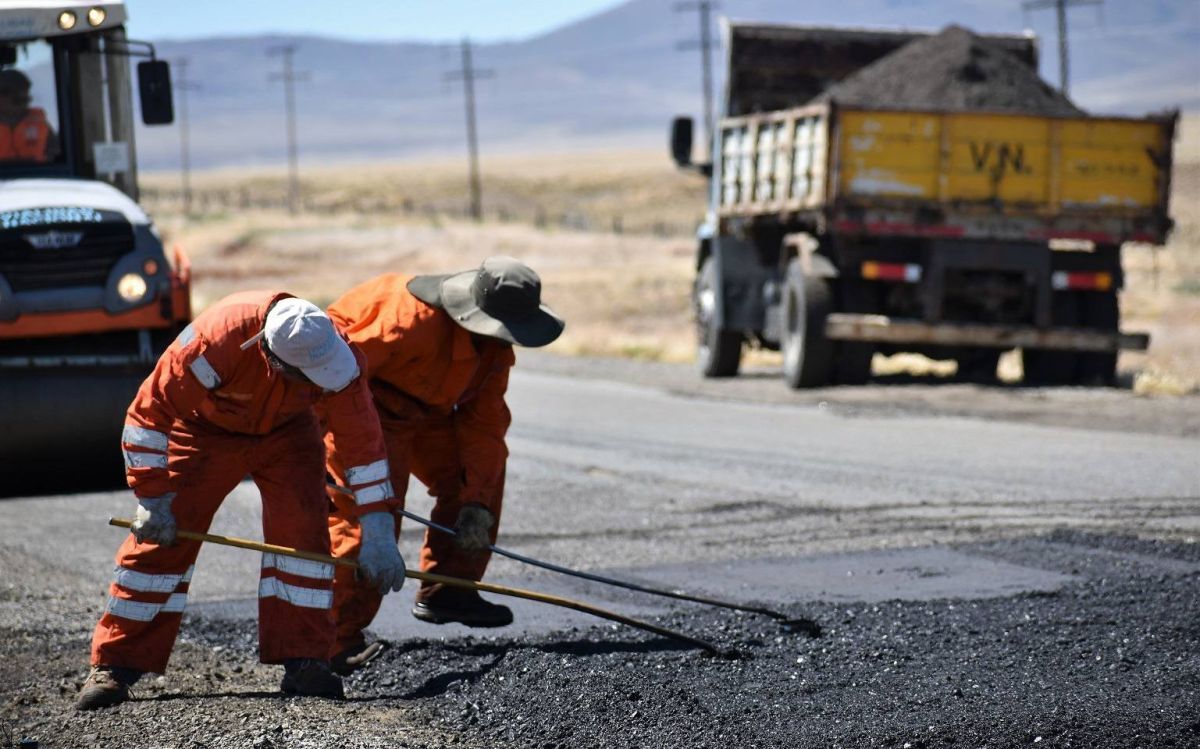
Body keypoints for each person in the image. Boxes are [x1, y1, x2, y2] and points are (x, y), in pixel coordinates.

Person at [77, 292, 408, 710]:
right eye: (309, 376)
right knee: (162, 541)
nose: (320, 381)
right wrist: (153, 497)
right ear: (273, 359)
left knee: (304, 541)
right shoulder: (215, 342)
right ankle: (115, 664)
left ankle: (306, 660)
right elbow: (149, 414)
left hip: (289, 434)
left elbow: (363, 442)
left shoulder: (335, 350)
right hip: (203, 432)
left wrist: (378, 530)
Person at [323, 256, 564, 674]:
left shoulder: (493, 353)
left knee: (478, 476)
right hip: (365, 411)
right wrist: (307, 442)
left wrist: (477, 505)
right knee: (370, 519)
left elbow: (485, 427)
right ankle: (332, 642)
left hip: (428, 415)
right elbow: (329, 376)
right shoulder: (401, 322)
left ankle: (448, 589)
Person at [0, 68, 57, 162]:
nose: (24, 104)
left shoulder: (40, 123)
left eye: (26, 100)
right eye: (17, 100)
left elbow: (56, 155)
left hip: (36, 174)